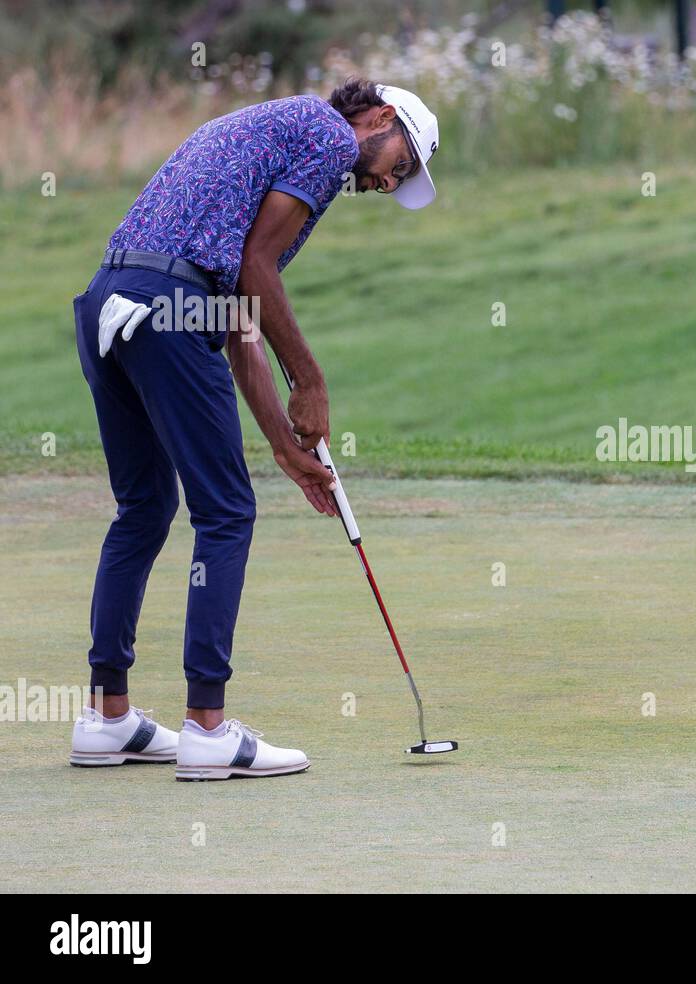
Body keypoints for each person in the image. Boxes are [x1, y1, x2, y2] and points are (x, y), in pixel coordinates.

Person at [68, 78, 438, 780]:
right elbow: (254, 271)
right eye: (403, 162)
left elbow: (240, 307)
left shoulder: (280, 134)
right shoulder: (329, 138)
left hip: (108, 302)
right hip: (169, 306)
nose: (392, 182)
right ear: (380, 118)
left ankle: (106, 718)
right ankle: (207, 727)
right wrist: (312, 380)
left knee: (144, 509)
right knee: (227, 512)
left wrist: (279, 440)